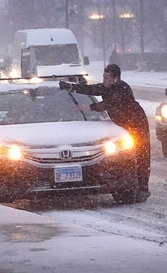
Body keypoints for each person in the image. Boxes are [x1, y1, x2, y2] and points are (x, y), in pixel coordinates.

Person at [60, 64, 151, 200]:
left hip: (137, 123)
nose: (104, 80)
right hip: (123, 124)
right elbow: (91, 89)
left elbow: (109, 103)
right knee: (129, 155)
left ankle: (142, 188)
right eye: (103, 77)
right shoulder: (106, 87)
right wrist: (71, 87)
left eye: (107, 78)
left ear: (115, 79)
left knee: (140, 154)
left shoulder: (122, 88)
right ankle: (132, 185)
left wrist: (89, 107)